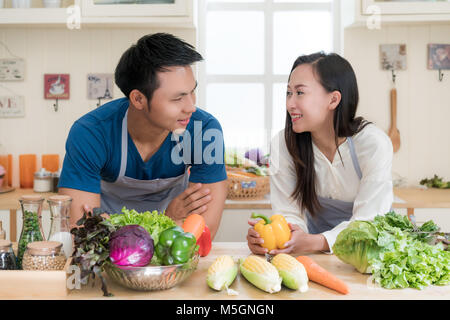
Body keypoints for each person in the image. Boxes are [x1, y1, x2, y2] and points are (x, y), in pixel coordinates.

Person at [58, 33, 228, 239]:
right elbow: (84, 233)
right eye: (177, 98)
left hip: (173, 261)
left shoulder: (204, 130)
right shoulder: (91, 133)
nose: (191, 107)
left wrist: (113, 229)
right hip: (110, 264)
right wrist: (169, 219)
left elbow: (202, 233)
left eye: (192, 92)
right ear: (138, 99)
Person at [247, 52, 393, 255]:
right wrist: (277, 238)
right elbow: (288, 213)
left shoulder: (373, 144)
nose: (290, 103)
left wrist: (316, 242)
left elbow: (368, 222)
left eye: (300, 93)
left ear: (333, 100)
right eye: (288, 93)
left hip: (367, 254)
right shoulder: (284, 144)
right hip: (314, 255)